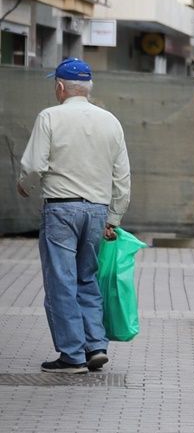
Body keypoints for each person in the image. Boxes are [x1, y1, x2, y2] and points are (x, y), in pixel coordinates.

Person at [18, 58, 131, 374]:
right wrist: (115, 217)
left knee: (61, 281)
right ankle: (95, 345)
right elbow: (122, 176)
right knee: (87, 277)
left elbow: (33, 166)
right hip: (96, 211)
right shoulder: (111, 121)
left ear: (59, 86)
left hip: (61, 209)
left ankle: (71, 355)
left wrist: (24, 186)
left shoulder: (50, 117)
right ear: (89, 87)